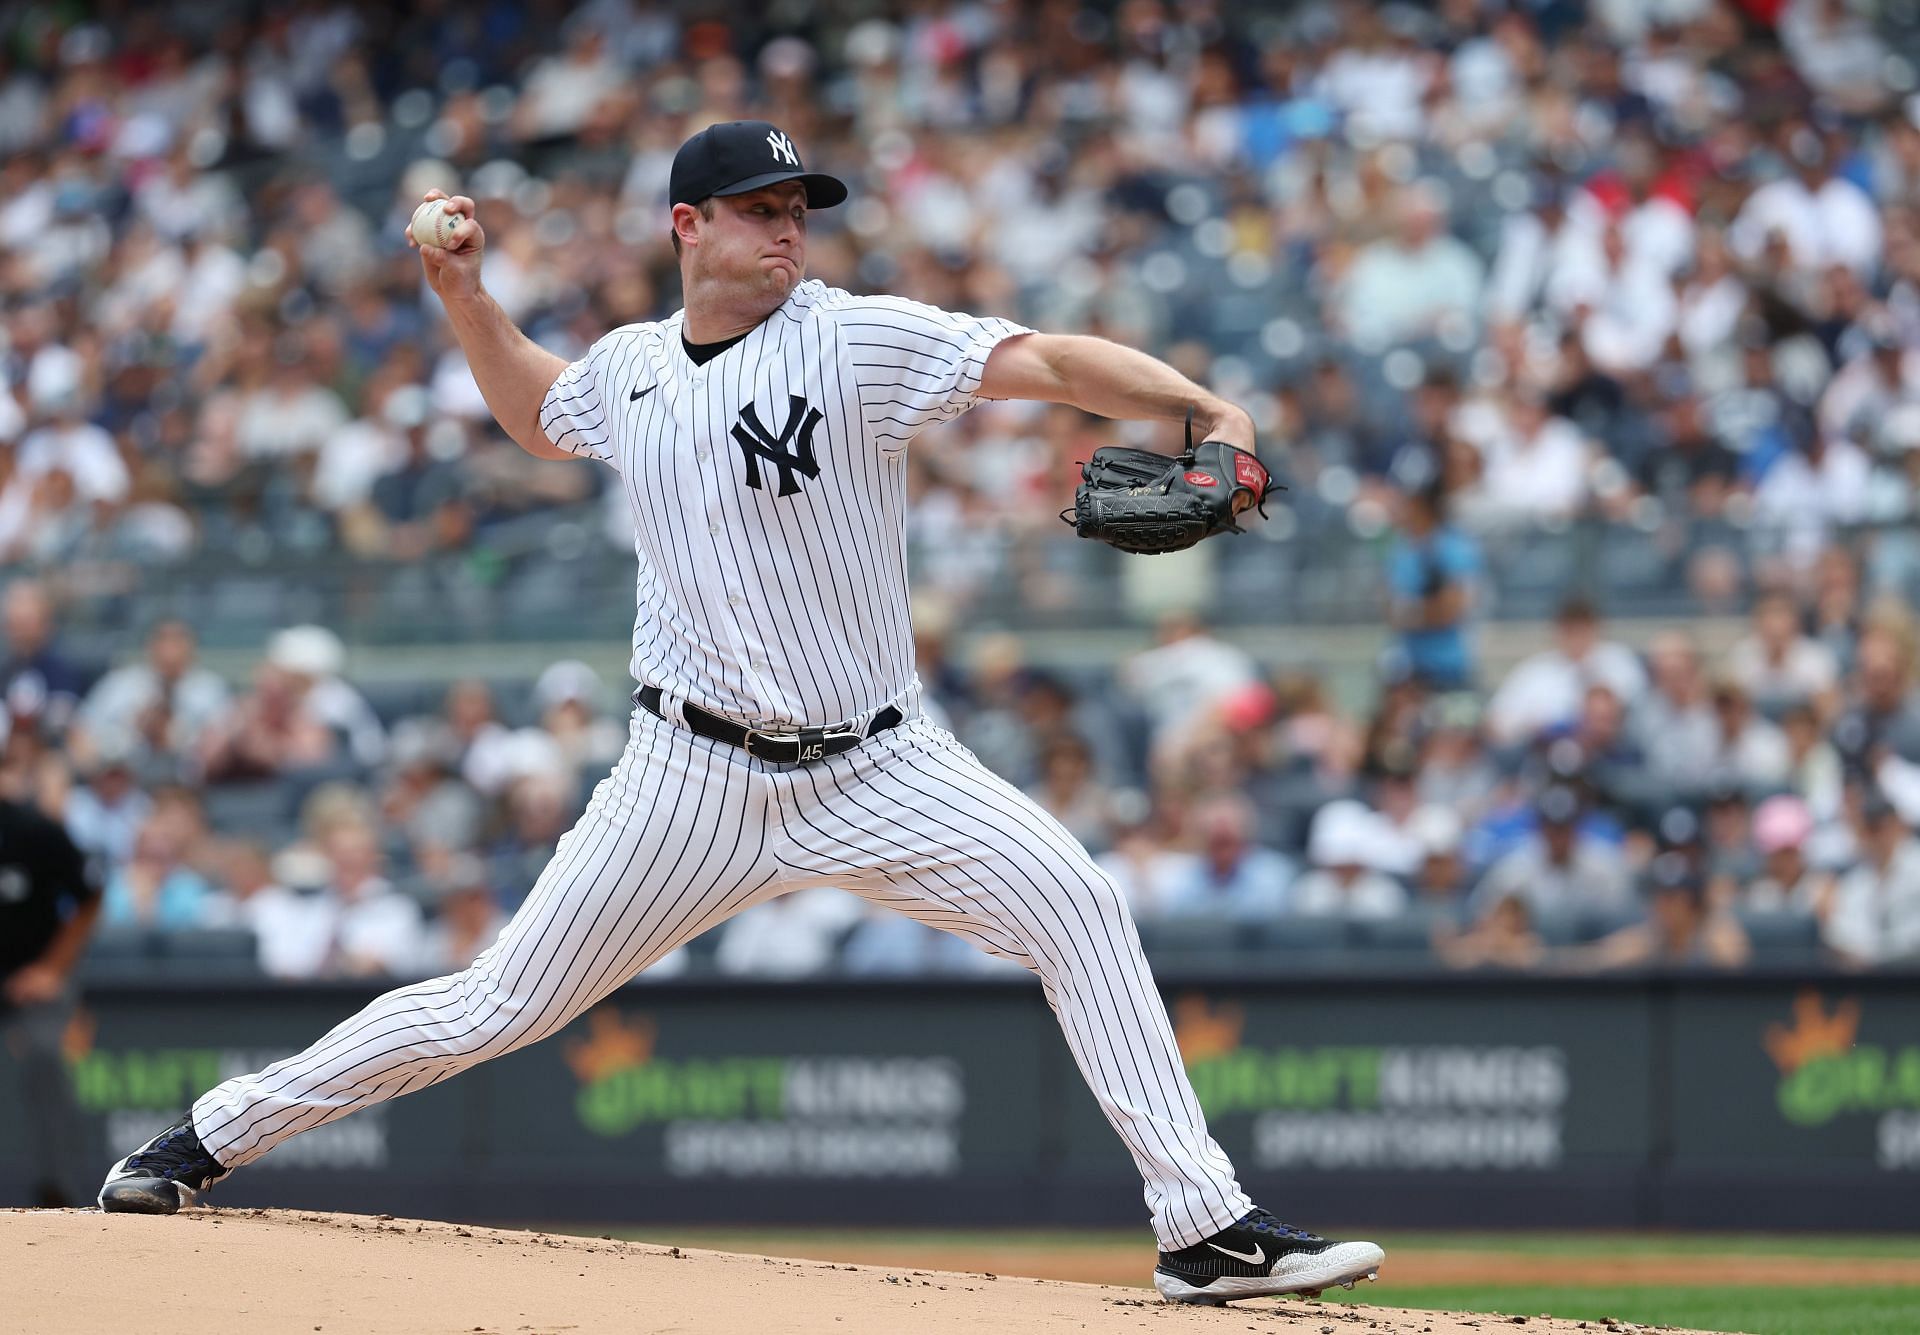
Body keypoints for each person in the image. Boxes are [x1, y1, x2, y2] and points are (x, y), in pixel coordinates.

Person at [96, 120, 1383, 1304]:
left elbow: (1040, 359)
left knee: (1081, 907)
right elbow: (543, 416)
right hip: (685, 777)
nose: (785, 228)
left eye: (797, 208)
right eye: (756, 206)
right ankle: (206, 1137)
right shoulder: (633, 370)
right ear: (686, 227)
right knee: (496, 1007)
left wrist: (1204, 408)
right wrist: (466, 297)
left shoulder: (852, 337)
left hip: (879, 764)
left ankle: (1202, 1225)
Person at [0, 795, 101, 1205]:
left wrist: (52, 969)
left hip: (32, 972)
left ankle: (58, 1188)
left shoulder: (32, 829)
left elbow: (89, 895)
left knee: (45, 1053)